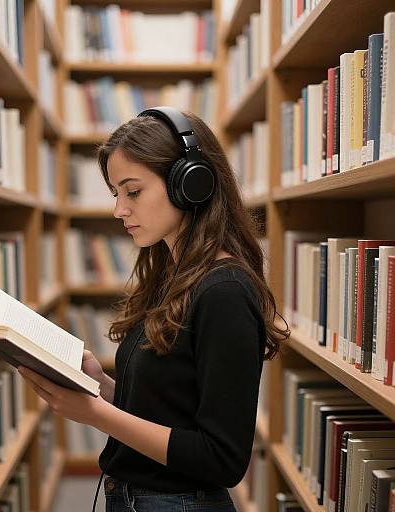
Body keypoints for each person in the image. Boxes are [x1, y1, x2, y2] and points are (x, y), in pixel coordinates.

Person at [19, 107, 290, 511]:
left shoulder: (225, 291)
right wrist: (104, 390)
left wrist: (95, 414)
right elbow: (172, 411)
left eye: (133, 191)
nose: (118, 210)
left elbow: (221, 459)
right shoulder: (172, 277)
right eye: (115, 194)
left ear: (191, 184)